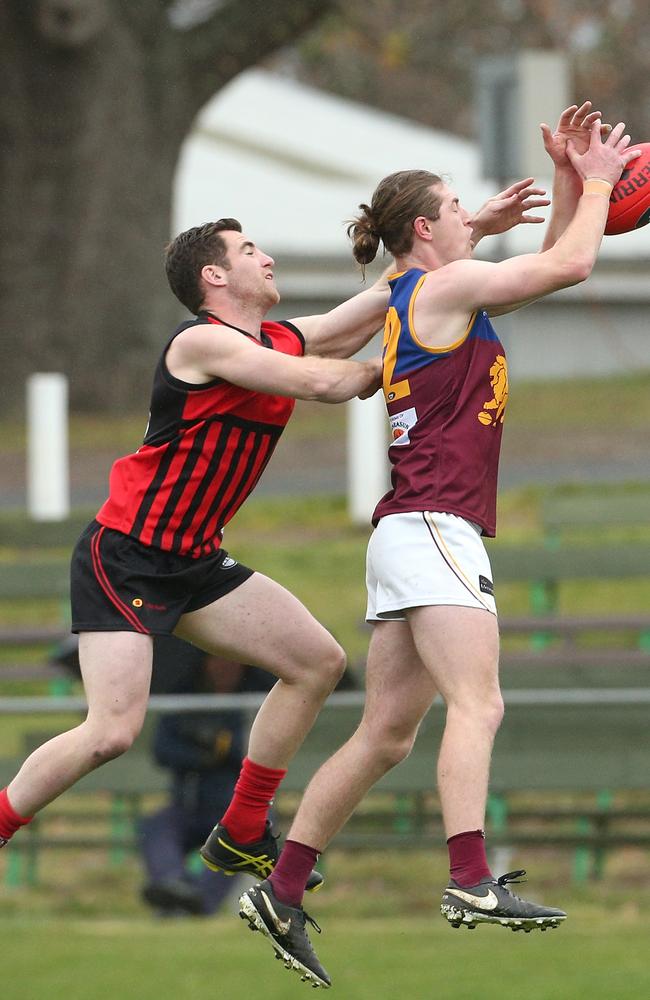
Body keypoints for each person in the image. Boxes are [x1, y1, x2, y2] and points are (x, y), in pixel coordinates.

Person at [0, 192, 548, 890]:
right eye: (248, 249)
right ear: (215, 279)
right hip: (126, 553)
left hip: (195, 558)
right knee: (111, 732)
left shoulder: (270, 338)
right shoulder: (198, 342)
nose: (266, 255)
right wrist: (421, 359)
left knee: (317, 663)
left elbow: (383, 301)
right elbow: (324, 376)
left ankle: (242, 829)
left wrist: (463, 234)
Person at [236, 106, 642, 988]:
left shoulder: (410, 294)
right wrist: (604, 181)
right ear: (425, 229)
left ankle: (285, 885)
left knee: (386, 733)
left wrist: (572, 178)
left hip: (404, 532)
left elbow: (547, 249)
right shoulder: (442, 290)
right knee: (480, 704)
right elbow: (571, 262)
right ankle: (469, 879)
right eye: (458, 208)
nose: (475, 215)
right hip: (435, 526)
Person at [139, 639, 274, 918]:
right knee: (157, 827)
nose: (226, 667)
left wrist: (208, 743)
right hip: (187, 804)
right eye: (219, 659)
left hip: (231, 807)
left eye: (232, 660)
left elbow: (246, 751)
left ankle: (198, 903)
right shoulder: (185, 696)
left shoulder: (255, 699)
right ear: (206, 663)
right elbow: (163, 749)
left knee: (240, 839)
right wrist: (206, 753)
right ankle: (172, 884)